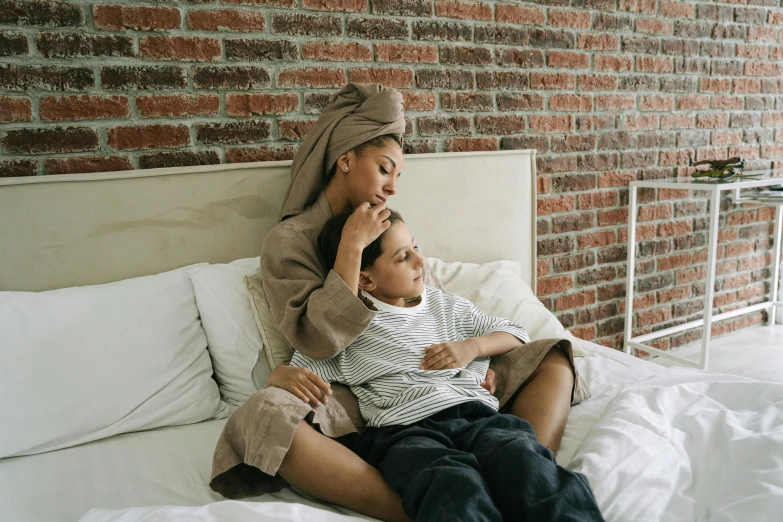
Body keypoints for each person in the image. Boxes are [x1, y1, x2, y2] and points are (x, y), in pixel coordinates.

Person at [209, 83, 591, 522]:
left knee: (552, 354)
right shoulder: (290, 241)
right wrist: (350, 249)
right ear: (346, 159)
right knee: (267, 415)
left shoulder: (387, 226)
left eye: (397, 177)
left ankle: (523, 472)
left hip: (446, 381)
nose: (391, 188)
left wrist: (471, 357)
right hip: (359, 388)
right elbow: (316, 342)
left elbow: (427, 306)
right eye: (384, 170)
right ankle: (420, 506)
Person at [286, 208, 603, 521]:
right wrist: (279, 376)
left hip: (475, 416)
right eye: (403, 257)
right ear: (366, 278)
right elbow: (302, 366)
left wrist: (473, 348)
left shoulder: (445, 305)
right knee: (451, 486)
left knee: (527, 463)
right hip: (404, 433)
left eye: (416, 247)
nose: (420, 262)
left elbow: (515, 333)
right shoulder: (345, 328)